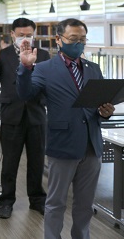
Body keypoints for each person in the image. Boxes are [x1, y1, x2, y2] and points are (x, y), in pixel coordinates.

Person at [16, 18, 115, 239]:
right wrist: (25, 67)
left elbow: (97, 105)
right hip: (63, 144)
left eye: (82, 40)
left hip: (92, 145)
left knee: (85, 205)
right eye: (73, 39)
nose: (78, 44)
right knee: (56, 203)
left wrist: (104, 111)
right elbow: (25, 94)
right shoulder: (43, 68)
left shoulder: (93, 68)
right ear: (58, 40)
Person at [0, 18, 50, 219]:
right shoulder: (1, 54)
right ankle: (6, 201)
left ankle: (37, 199)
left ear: (34, 34)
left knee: (37, 161)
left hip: (37, 114)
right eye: (21, 35)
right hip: (12, 114)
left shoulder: (44, 54)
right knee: (10, 162)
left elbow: (49, 83)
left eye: (29, 34)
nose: (25, 38)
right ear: (12, 34)